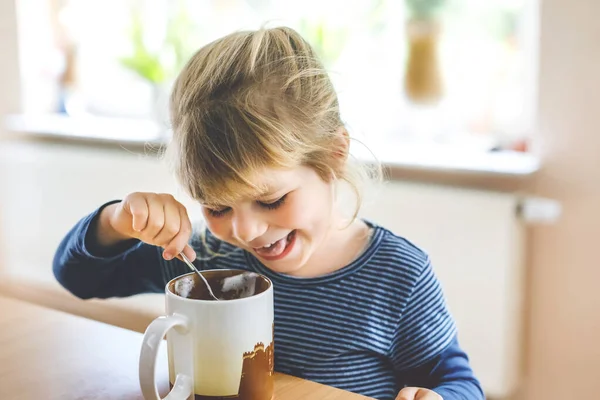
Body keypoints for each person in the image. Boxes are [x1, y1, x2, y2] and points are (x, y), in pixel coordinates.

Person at [53, 26, 484, 400]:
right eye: (217, 206)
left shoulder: (398, 275)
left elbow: (454, 378)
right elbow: (79, 279)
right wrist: (116, 222)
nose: (244, 230)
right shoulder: (203, 257)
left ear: (334, 156)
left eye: (271, 200)